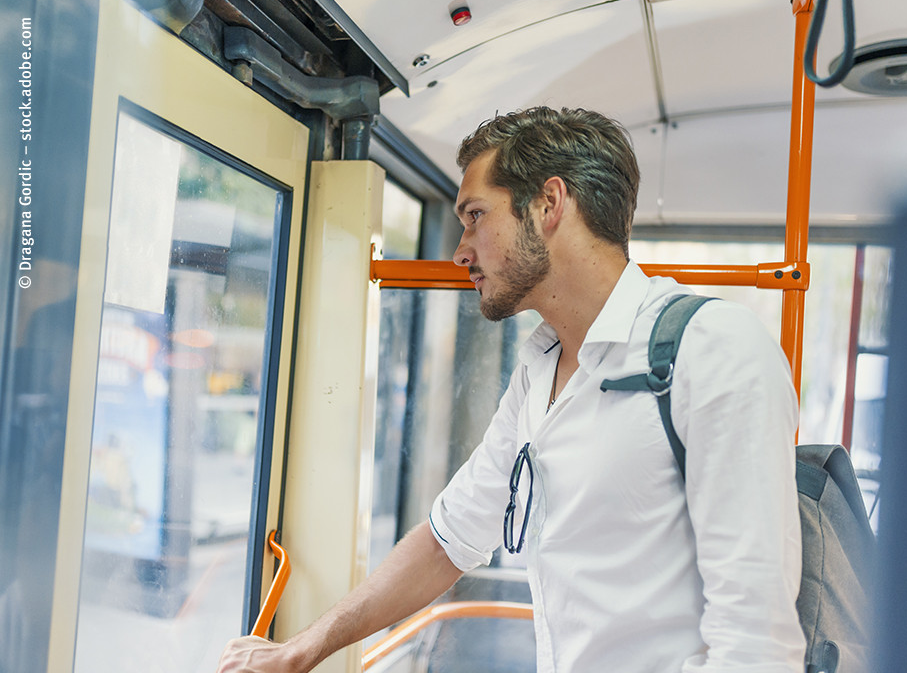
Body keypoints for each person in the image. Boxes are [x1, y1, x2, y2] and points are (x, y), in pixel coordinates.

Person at [216, 106, 805, 672]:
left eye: (475, 215)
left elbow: (755, 649)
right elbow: (447, 540)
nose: (460, 249)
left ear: (548, 204)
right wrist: (297, 653)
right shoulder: (540, 369)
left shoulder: (714, 351)